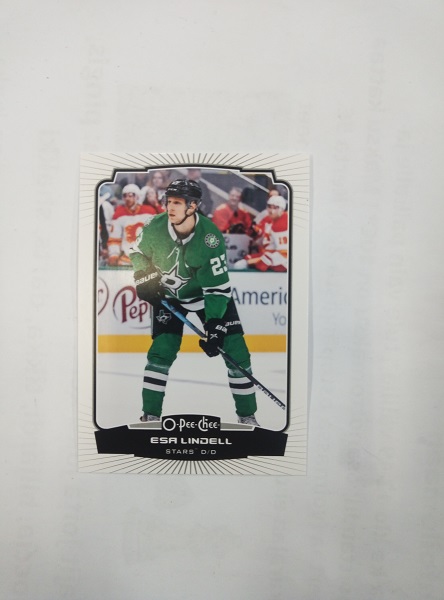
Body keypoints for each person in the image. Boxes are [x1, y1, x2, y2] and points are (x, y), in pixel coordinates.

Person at [129, 179, 259, 425]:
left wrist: (215, 324)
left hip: (206, 297)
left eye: (177, 203)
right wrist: (144, 276)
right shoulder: (155, 226)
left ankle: (247, 416)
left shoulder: (210, 238)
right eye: (169, 201)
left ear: (193, 206)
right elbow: (137, 252)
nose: (170, 207)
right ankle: (150, 415)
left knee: (236, 352)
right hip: (169, 297)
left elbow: (217, 289)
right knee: (161, 352)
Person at [234, 196, 288, 272]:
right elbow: (260, 236)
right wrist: (253, 232)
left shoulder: (283, 222)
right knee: (241, 263)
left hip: (279, 260)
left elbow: (285, 254)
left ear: (282, 209)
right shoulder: (268, 218)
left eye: (275, 208)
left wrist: (267, 261)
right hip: (267, 254)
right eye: (269, 207)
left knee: (240, 265)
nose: (271, 210)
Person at [107, 184, 154, 266]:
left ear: (137, 197)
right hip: (126, 260)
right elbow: (114, 238)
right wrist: (113, 255)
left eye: (130, 195)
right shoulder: (119, 213)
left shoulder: (149, 211)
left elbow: (156, 236)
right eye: (125, 196)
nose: (127, 198)